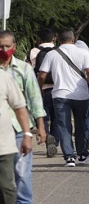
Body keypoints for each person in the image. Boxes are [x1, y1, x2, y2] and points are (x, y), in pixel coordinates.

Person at [37, 30, 89, 167]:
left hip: (60, 94)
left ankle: (69, 157)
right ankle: (83, 153)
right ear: (73, 39)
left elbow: (42, 75)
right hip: (81, 95)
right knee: (81, 124)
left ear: (58, 39)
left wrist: (39, 90)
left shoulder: (51, 54)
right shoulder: (83, 53)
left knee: (64, 126)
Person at [0, 31, 46, 204]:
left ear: (14, 47)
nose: (4, 50)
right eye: (0, 47)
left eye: (7, 46)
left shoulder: (23, 69)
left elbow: (34, 98)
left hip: (19, 127)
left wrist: (40, 126)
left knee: (21, 169)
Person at [0, 66, 32, 204]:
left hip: (3, 144)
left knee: (5, 187)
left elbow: (20, 108)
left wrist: (27, 135)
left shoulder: (3, 77)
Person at [27, 28, 58, 158]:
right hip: (58, 90)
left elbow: (27, 71)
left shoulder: (33, 52)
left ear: (38, 39)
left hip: (40, 88)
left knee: (43, 116)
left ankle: (47, 137)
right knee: (57, 118)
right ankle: (55, 141)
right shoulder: (59, 51)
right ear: (54, 38)